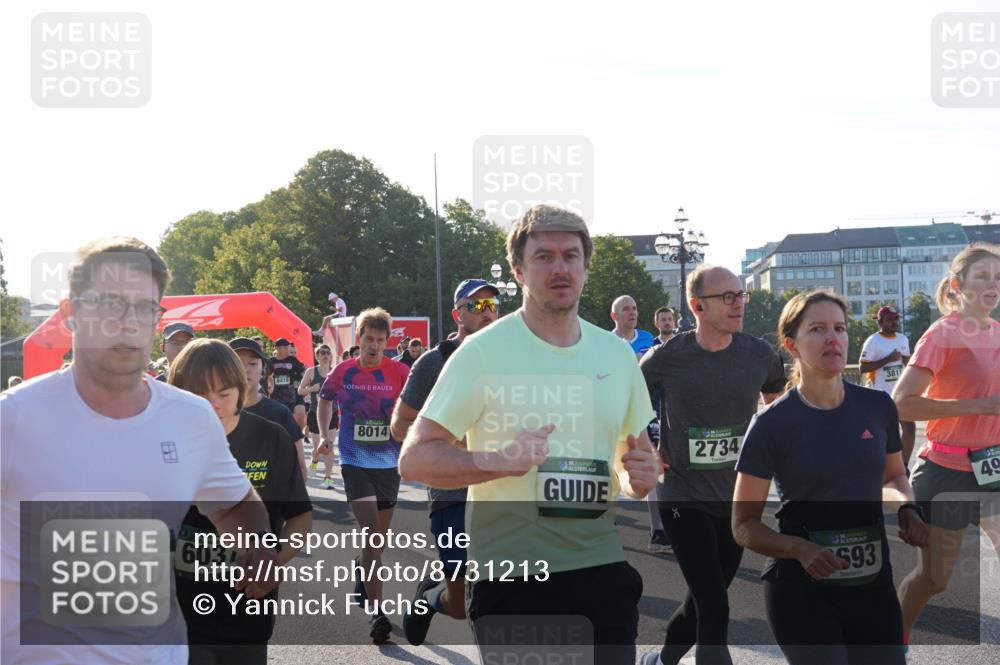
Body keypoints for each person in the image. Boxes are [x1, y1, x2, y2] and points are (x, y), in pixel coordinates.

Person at [399, 205, 659, 665]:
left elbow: (635, 457)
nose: (559, 267)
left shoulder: (616, 356)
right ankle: (438, 595)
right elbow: (415, 458)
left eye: (570, 255)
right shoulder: (481, 353)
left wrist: (642, 474)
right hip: (514, 579)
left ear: (585, 266)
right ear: (519, 270)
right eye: (544, 256)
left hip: (602, 570)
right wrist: (497, 460)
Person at [0, 237, 277, 665]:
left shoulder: (192, 418)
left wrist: (256, 544)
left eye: (145, 308)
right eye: (111, 304)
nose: (128, 322)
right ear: (71, 315)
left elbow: (236, 503)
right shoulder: (14, 418)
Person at [732, 290, 928, 665]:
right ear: (792, 345)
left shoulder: (876, 406)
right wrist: (800, 549)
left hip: (871, 583)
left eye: (839, 328)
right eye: (817, 329)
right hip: (801, 589)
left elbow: (893, 477)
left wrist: (908, 509)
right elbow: (743, 526)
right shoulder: (772, 424)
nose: (832, 338)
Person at [639, 266, 786, 665]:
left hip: (736, 498)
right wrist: (647, 447)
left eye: (740, 294)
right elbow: (629, 402)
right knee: (715, 605)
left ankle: (661, 660)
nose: (738, 302)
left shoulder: (760, 355)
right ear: (697, 305)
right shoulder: (666, 358)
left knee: (703, 599)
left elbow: (778, 405)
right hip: (681, 494)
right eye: (727, 296)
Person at [169, 339, 312, 665]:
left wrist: (272, 561)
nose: (213, 406)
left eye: (223, 394)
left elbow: (300, 518)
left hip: (247, 608)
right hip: (176, 614)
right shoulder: (157, 444)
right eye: (199, 396)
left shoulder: (271, 437)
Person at [893, 243, 1000, 653]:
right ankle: (893, 639)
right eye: (982, 277)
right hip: (948, 471)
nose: (992, 285)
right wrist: (975, 406)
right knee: (934, 579)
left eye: (997, 277)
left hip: (993, 470)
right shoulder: (941, 334)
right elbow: (902, 402)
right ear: (957, 286)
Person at [390, 278, 501, 646]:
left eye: (492, 306)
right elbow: (399, 425)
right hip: (451, 490)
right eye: (476, 306)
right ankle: (430, 595)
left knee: (493, 597)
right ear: (457, 314)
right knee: (459, 604)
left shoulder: (511, 361)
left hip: (501, 492)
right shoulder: (433, 361)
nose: (487, 313)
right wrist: (450, 442)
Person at [315, 308, 410, 643]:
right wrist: (325, 433)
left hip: (389, 464)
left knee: (377, 543)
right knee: (372, 535)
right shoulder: (343, 372)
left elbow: (414, 411)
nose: (374, 346)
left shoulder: (400, 372)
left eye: (381, 341)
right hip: (355, 462)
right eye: (369, 339)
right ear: (360, 339)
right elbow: (325, 401)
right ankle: (378, 613)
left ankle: (362, 566)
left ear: (387, 342)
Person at [230, 337, 307, 479]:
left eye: (252, 363)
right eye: (237, 363)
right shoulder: (213, 413)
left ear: (263, 371)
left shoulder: (279, 414)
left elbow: (301, 471)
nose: (245, 370)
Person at [860, 306, 917, 466]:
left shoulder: (903, 339)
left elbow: (906, 362)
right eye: (890, 320)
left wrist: (910, 363)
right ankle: (883, 466)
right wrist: (888, 359)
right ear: (880, 322)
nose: (894, 323)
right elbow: (862, 368)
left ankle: (903, 466)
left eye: (896, 319)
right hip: (880, 396)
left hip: (900, 394)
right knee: (883, 434)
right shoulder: (872, 341)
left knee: (910, 430)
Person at [646, 306, 677, 553]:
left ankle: (678, 524)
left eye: (669, 319)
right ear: (657, 323)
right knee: (658, 469)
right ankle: (658, 530)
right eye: (662, 319)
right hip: (654, 414)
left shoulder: (682, 345)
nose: (666, 322)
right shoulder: (651, 348)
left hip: (678, 416)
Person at [300, 344, 338, 488]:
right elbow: (300, 390)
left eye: (328, 352)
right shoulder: (311, 372)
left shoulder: (335, 371)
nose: (326, 355)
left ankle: (328, 478)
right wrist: (312, 389)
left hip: (332, 413)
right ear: (317, 356)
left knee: (329, 445)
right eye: (322, 352)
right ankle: (314, 461)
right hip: (315, 413)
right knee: (317, 449)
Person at [266, 338, 307, 435]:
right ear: (277, 348)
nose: (288, 350)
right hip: (275, 397)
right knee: (278, 422)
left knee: (295, 420)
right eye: (285, 347)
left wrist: (305, 377)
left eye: (288, 347)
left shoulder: (292, 360)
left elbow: (303, 371)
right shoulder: (270, 362)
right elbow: (264, 376)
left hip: (290, 396)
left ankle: (296, 436)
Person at [612, 295, 656, 360]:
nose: (632, 313)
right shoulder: (608, 341)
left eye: (634, 308)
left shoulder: (648, 337)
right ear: (614, 316)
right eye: (626, 309)